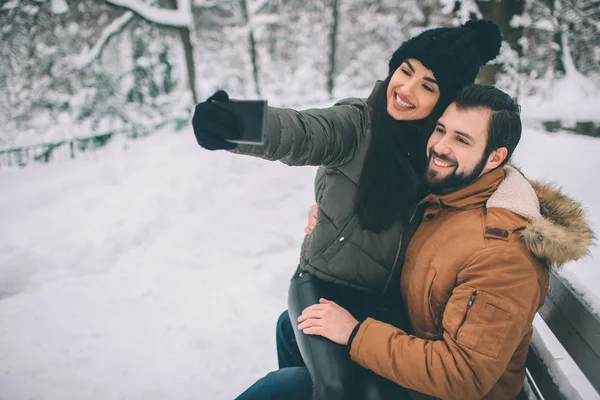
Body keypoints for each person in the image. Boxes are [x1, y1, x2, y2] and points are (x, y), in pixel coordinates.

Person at [193, 20, 504, 399]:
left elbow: (485, 172)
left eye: (428, 86)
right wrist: (236, 124)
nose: (406, 89)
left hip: (383, 306)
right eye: (405, 71)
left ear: (444, 101)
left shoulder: (437, 156)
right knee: (335, 386)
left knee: (371, 391)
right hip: (322, 284)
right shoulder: (357, 124)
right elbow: (302, 131)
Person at [293, 84, 594, 399]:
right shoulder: (452, 196)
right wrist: (334, 217)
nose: (439, 146)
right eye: (440, 130)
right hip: (411, 358)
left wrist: (354, 334)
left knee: (283, 386)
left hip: (436, 391)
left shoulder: (503, 256)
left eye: (461, 139)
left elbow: (461, 376)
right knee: (293, 329)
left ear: (495, 157)